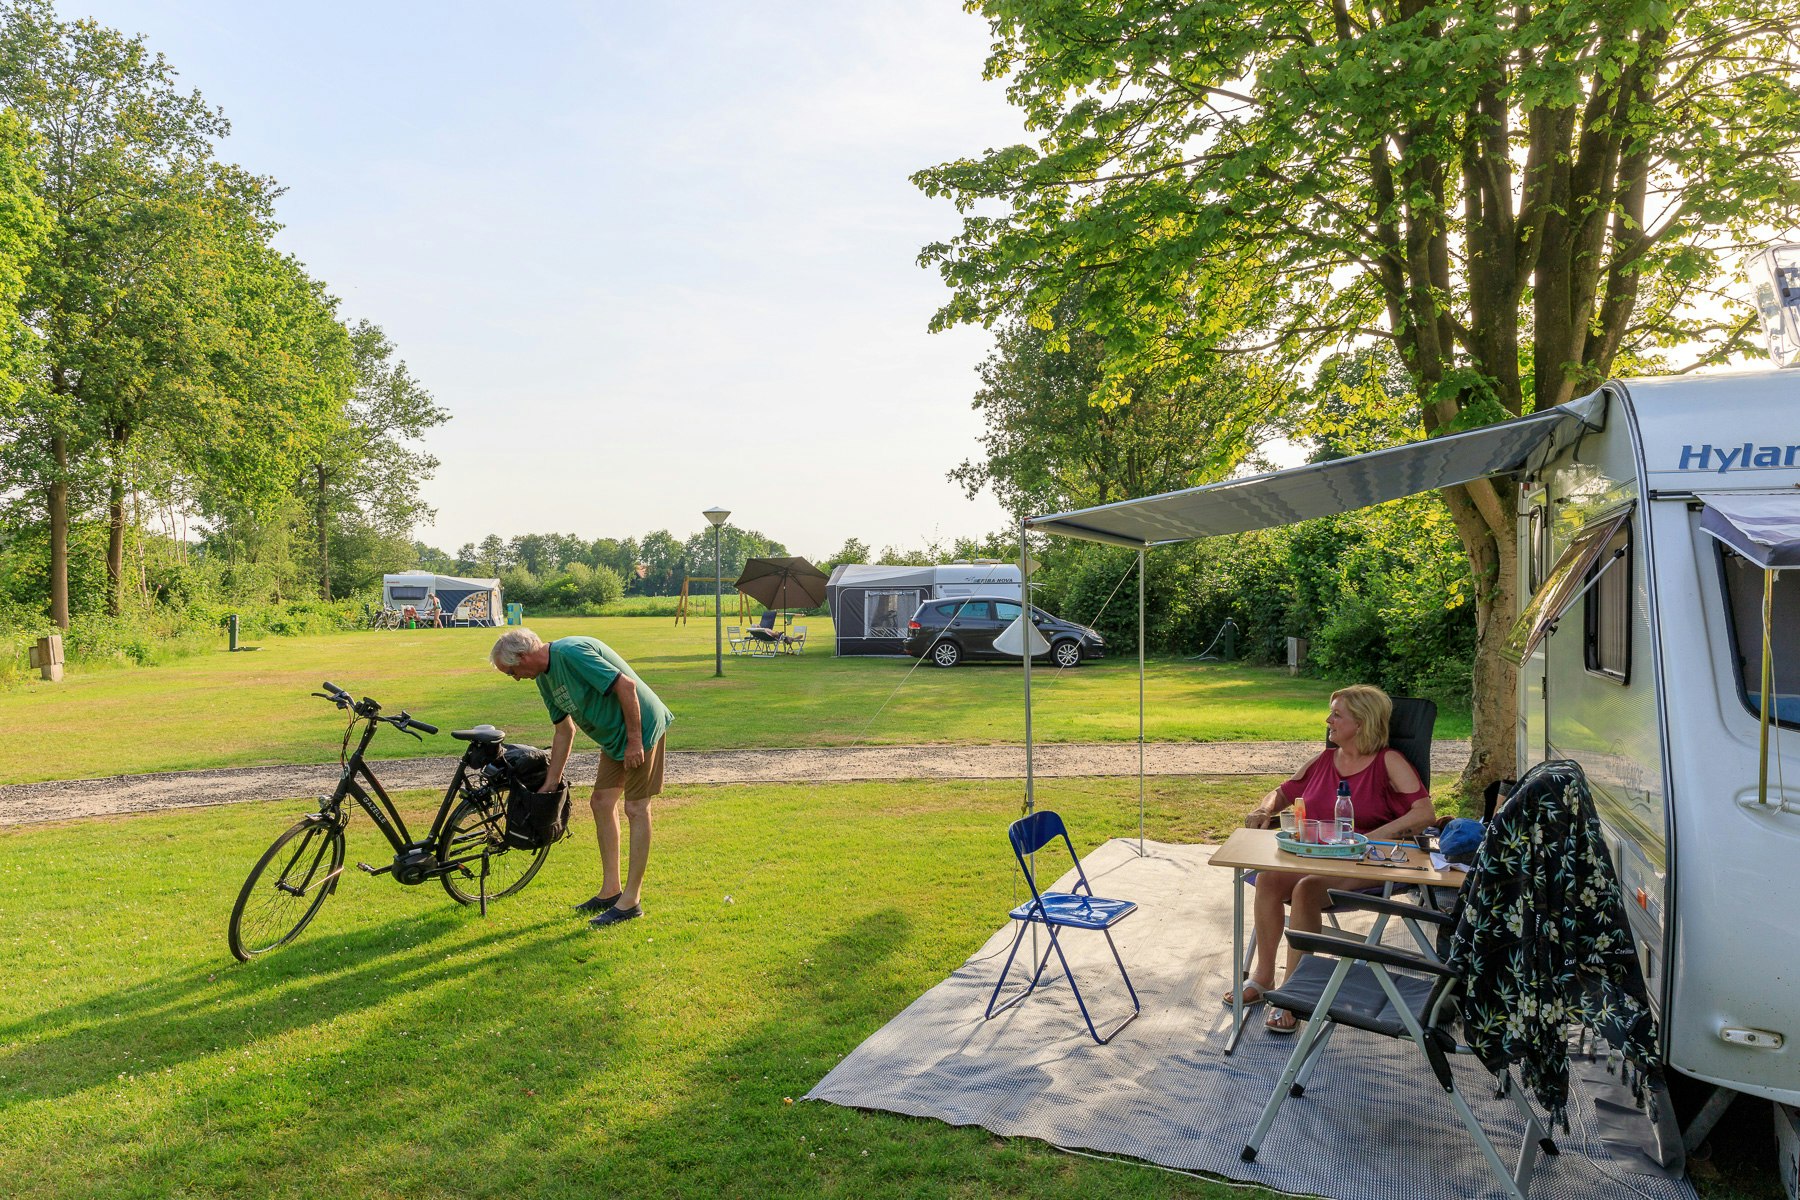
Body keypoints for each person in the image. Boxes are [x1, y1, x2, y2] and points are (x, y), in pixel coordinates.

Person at [1230, 684, 1434, 1033]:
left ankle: (1294, 994)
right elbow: (1282, 793)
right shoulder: (1324, 760)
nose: (1328, 721)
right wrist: (1263, 809)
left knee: (1307, 889)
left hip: (1368, 860)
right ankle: (1263, 977)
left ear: (1362, 722)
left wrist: (1370, 838)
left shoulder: (1389, 761)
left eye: (1337, 714)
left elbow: (1424, 813)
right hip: (1318, 856)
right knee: (1268, 877)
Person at [489, 627, 673, 928]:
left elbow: (626, 687)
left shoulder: (571, 653)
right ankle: (610, 891)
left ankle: (630, 902)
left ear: (523, 656)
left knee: (636, 808)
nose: (516, 678)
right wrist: (550, 784)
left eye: (511, 671)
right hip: (615, 737)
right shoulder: (545, 681)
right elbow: (564, 731)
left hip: (640, 726)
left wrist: (636, 740)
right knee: (601, 802)